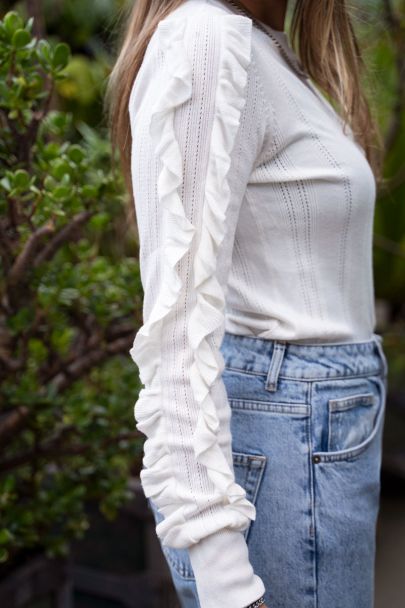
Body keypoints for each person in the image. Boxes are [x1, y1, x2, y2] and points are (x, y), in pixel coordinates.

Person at [106, 1, 388, 607]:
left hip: (309, 435)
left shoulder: (263, 48)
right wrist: (227, 582)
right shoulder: (205, 39)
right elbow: (177, 332)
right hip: (288, 446)